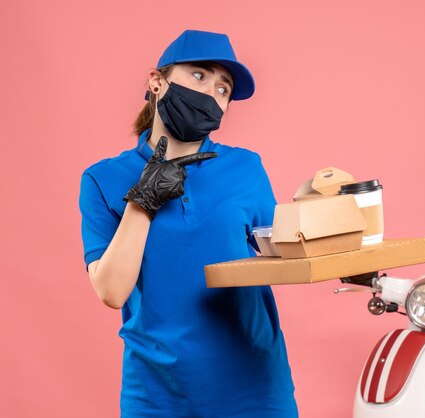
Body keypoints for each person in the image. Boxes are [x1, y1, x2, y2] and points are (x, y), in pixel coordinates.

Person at [79, 30, 298, 417]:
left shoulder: (245, 167)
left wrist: (322, 219)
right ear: (157, 81)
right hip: (158, 394)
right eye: (199, 75)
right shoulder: (103, 179)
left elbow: (283, 252)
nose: (212, 92)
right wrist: (142, 201)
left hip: (255, 385)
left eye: (223, 88)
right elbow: (112, 291)